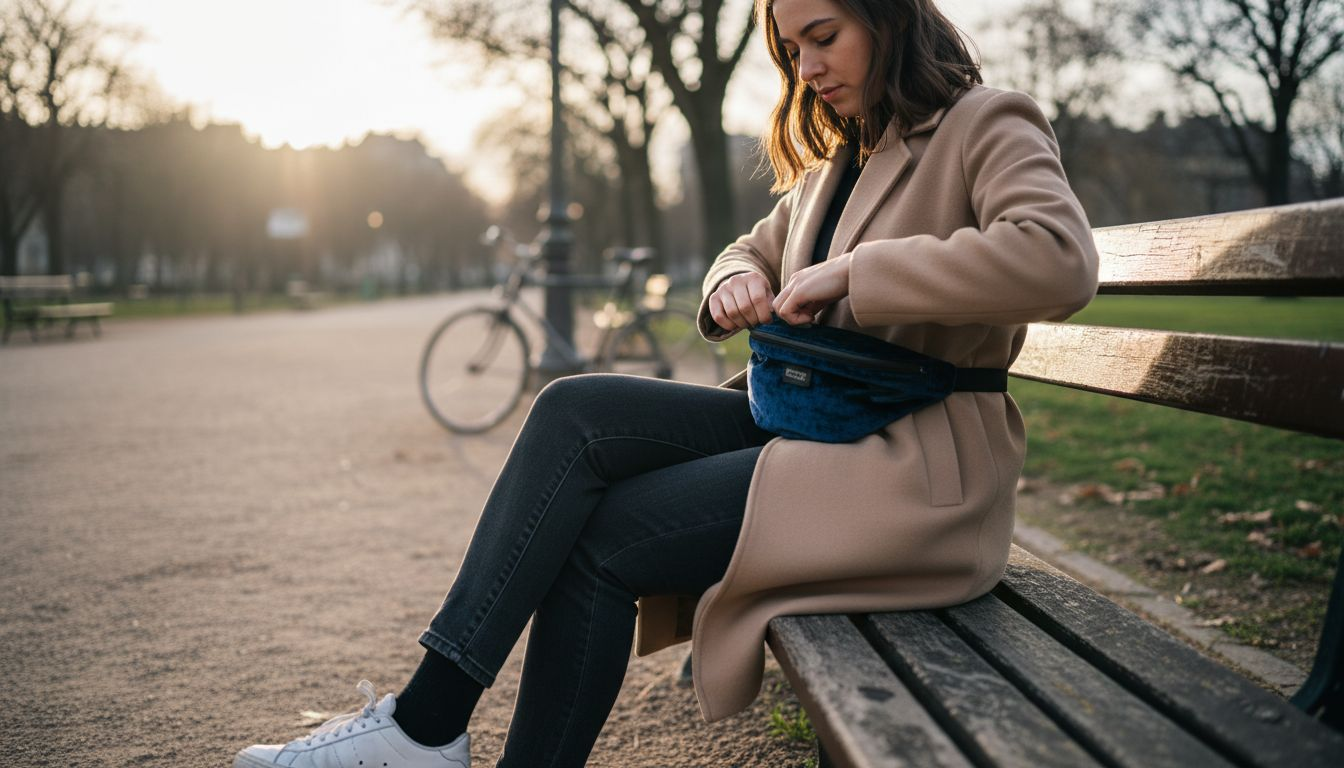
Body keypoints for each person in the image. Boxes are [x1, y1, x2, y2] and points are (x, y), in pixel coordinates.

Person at [234, 0, 1099, 764]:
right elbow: (751, 247)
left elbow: (1061, 261)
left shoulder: (986, 122)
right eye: (792, 50)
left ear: (889, 17)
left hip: (917, 464)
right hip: (815, 425)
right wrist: (729, 283)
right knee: (573, 407)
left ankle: (425, 732)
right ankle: (428, 725)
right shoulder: (838, 162)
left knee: (605, 541)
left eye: (823, 37)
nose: (808, 68)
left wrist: (862, 273)